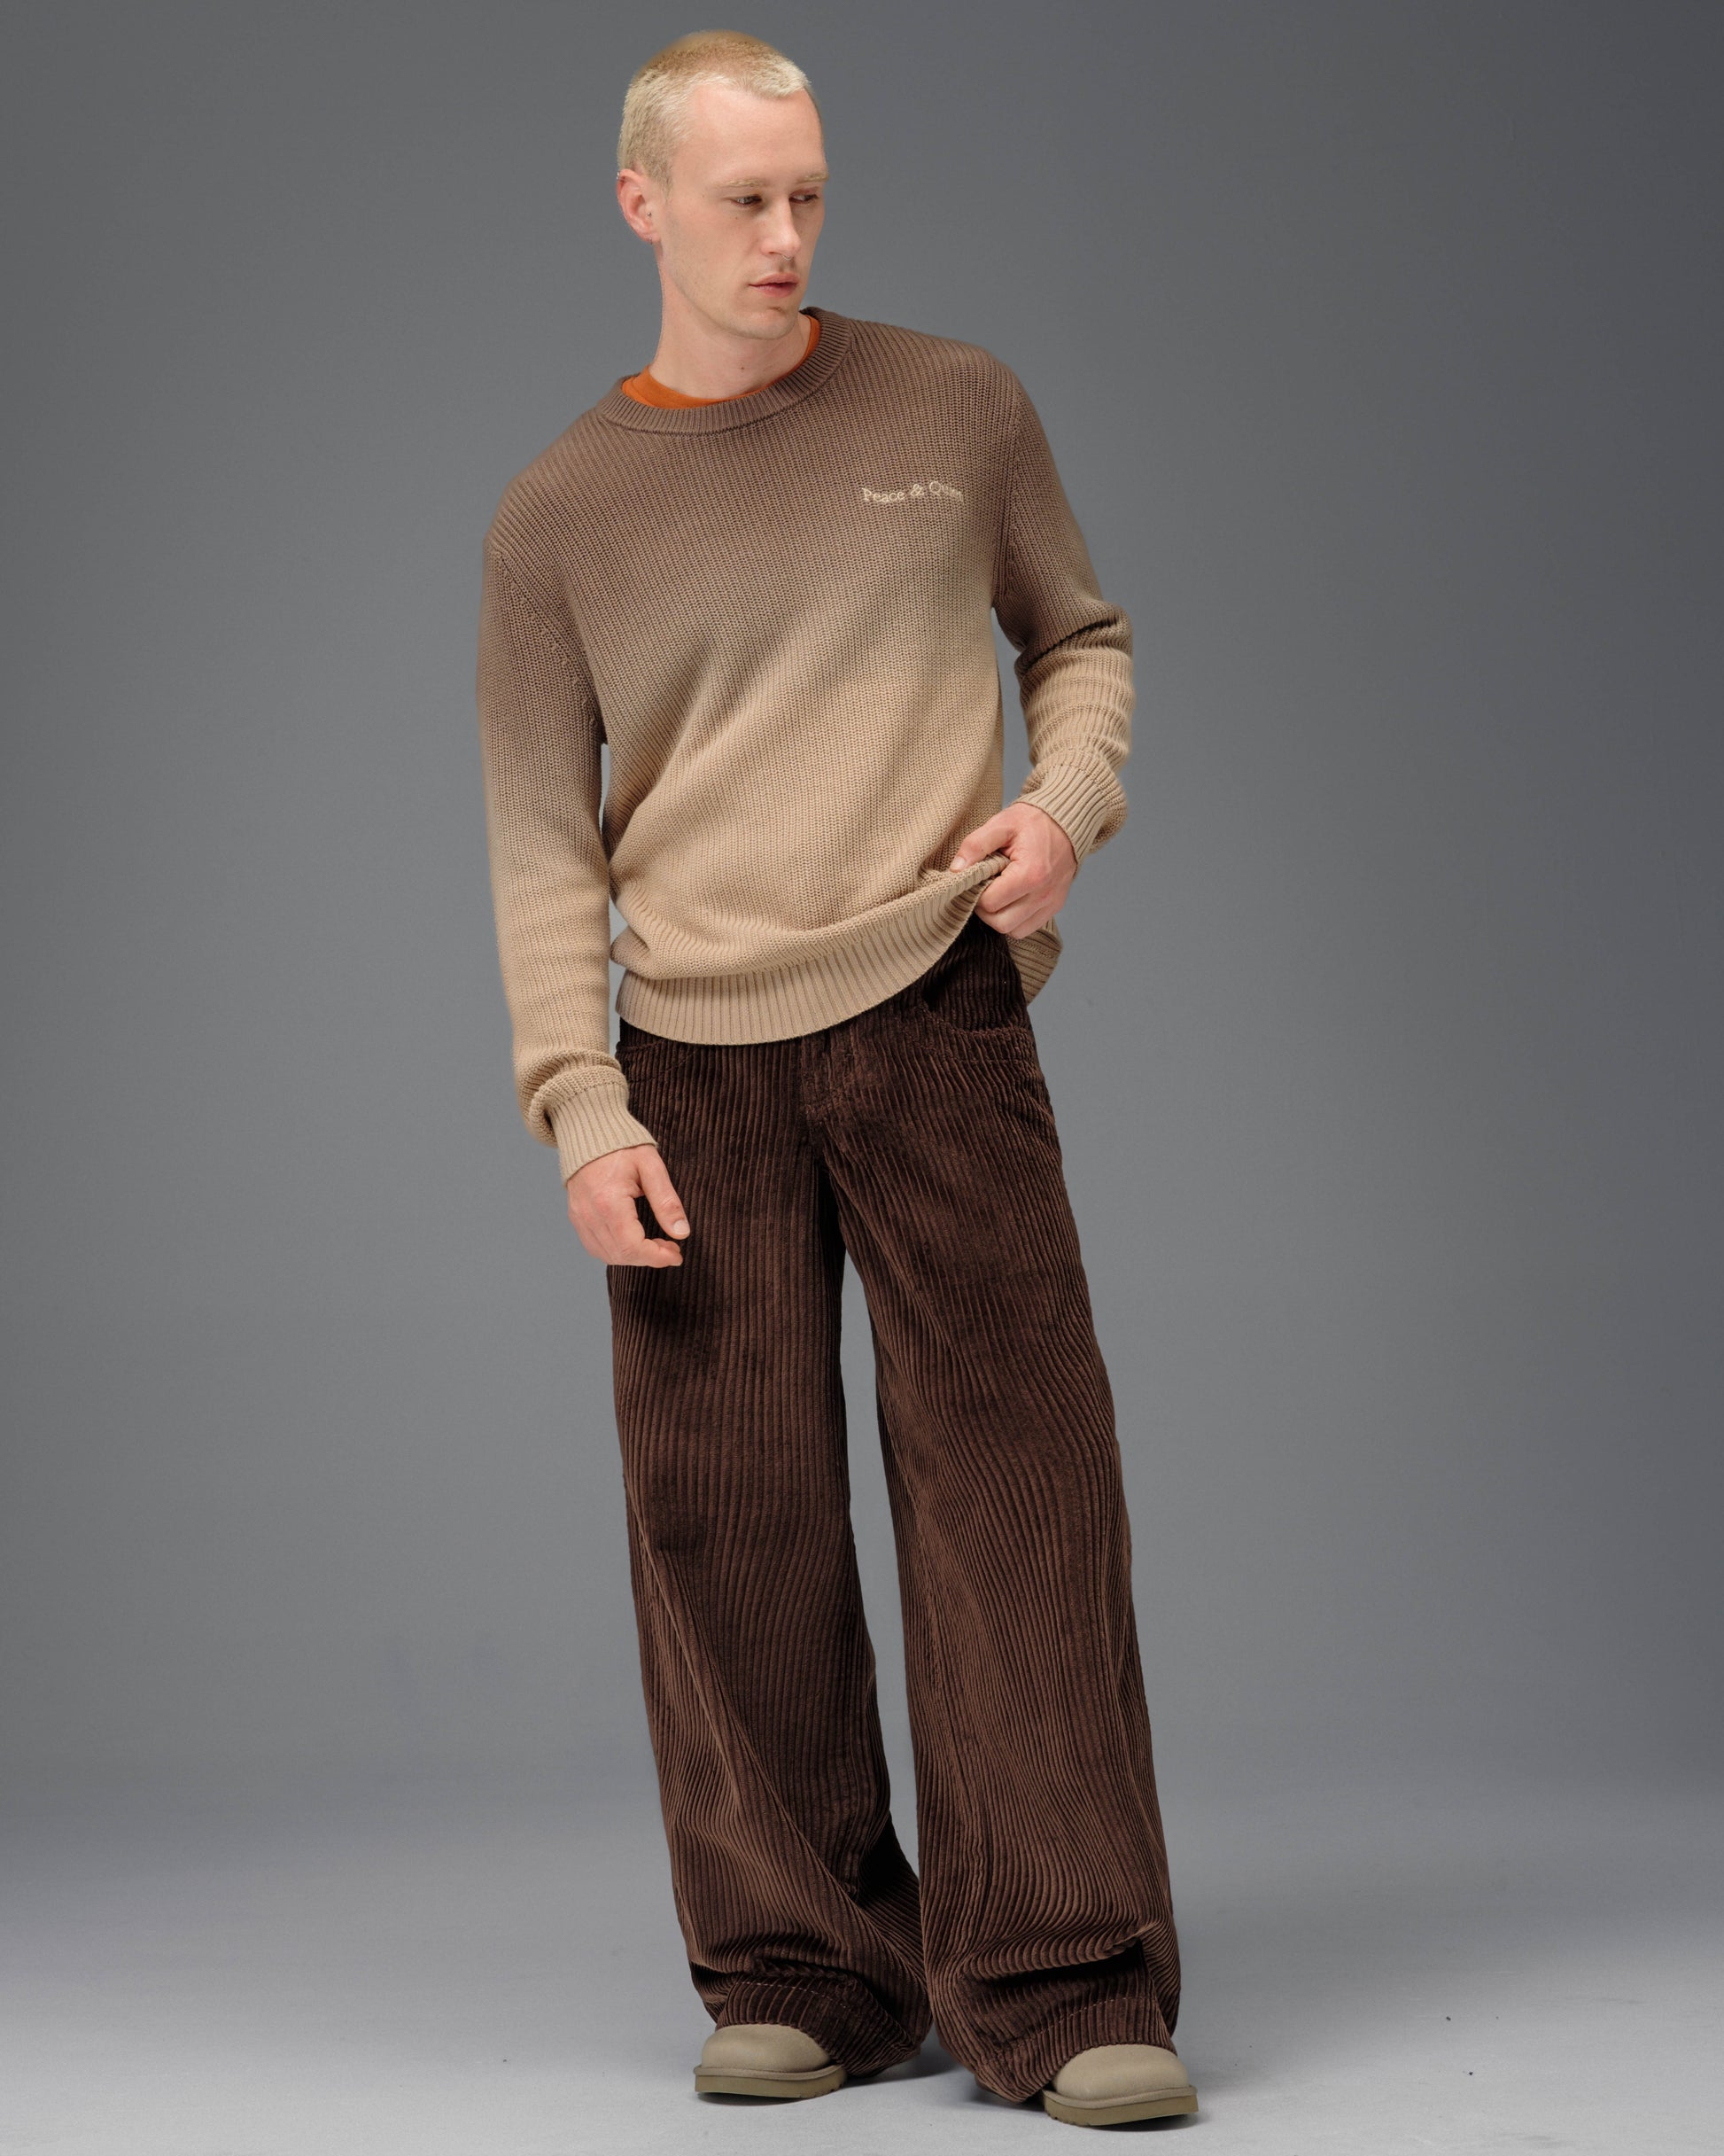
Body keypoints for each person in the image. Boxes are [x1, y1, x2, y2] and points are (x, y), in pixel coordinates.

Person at [473, 27, 1195, 2128]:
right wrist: (579, 1105)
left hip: (934, 1018)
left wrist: (1064, 807)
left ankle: (1067, 1979)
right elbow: (539, 836)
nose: (785, 235)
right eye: (742, 200)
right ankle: (804, 1963)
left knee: (1021, 1494)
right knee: (728, 1522)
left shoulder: (954, 406)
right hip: (687, 1063)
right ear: (642, 205)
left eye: (807, 194)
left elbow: (1082, 637)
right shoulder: (557, 515)